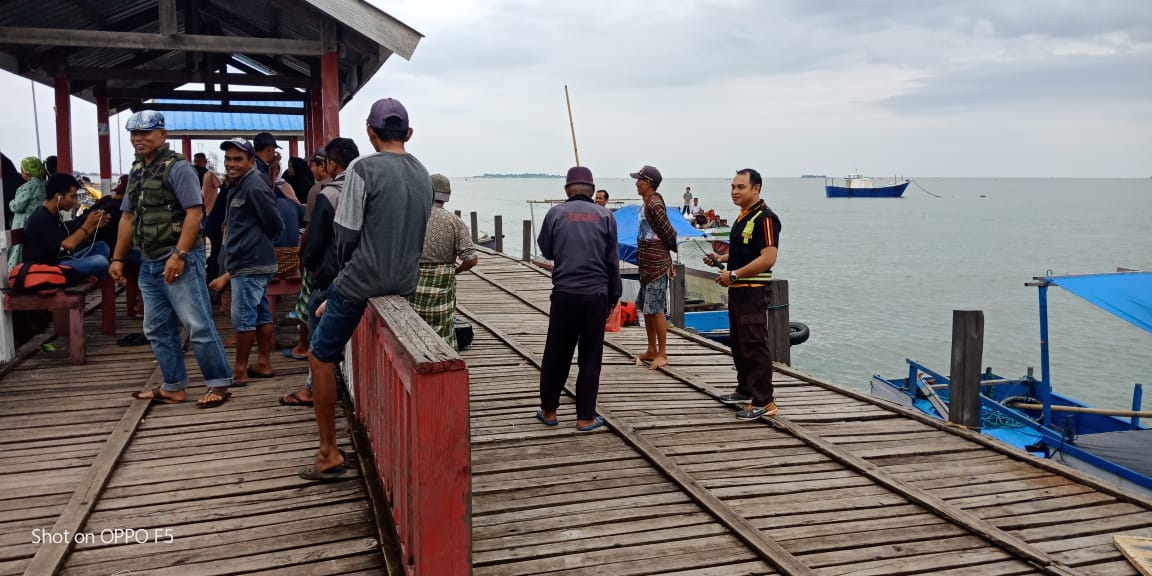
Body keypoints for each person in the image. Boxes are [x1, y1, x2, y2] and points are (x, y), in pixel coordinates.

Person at [301, 98, 432, 481]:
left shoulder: (362, 168)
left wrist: (339, 288)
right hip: (404, 281)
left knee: (321, 354)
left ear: (370, 133)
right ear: (407, 133)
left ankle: (328, 453)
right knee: (333, 312)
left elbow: (346, 238)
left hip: (361, 281)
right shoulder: (422, 173)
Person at [110, 109, 234, 408]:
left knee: (197, 324)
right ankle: (173, 385)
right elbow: (127, 217)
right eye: (134, 133)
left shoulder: (178, 168)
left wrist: (179, 255)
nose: (138, 139)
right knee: (156, 327)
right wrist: (117, 258)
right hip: (149, 261)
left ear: (162, 135)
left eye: (145, 133)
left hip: (178, 259)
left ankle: (219, 383)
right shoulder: (138, 170)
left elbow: (195, 212)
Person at [535, 166, 621, 431]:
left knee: (556, 352)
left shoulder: (554, 214)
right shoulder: (606, 216)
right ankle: (585, 416)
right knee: (591, 355)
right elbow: (612, 262)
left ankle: (549, 411)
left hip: (564, 294)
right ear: (593, 191)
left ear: (566, 190)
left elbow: (547, 251)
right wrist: (614, 296)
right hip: (596, 295)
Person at [280, 138, 358, 406]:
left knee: (319, 341)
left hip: (329, 277)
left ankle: (314, 390)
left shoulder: (329, 194)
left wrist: (310, 270)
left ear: (333, 164)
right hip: (358, 275)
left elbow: (316, 241)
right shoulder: (365, 190)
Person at [703, 168, 781, 420]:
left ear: (756, 188)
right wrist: (721, 258)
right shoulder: (742, 217)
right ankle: (745, 388)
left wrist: (734, 274)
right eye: (733, 187)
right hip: (738, 292)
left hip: (753, 290)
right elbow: (744, 252)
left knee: (755, 344)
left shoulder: (765, 219)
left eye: (741, 187)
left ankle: (765, 401)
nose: (735, 192)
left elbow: (768, 258)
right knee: (739, 344)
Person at [208, 138, 284, 385]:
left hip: (250, 263)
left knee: (243, 318)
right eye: (228, 159)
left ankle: (239, 371)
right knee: (261, 314)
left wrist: (253, 244)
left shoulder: (253, 186)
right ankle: (263, 363)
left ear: (251, 162)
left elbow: (275, 224)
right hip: (249, 263)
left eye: (238, 159)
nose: (231, 164)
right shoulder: (238, 185)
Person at [407, 174, 477, 349]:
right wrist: (457, 270)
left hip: (412, 283)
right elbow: (471, 259)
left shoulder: (410, 217)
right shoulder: (454, 221)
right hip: (442, 285)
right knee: (443, 328)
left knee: (413, 329)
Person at [21, 172, 112, 279]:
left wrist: (94, 226)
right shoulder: (42, 217)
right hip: (47, 269)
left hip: (60, 261)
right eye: (72, 197)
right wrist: (88, 224)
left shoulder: (53, 214)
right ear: (59, 196)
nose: (75, 201)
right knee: (100, 261)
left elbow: (72, 240)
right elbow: (69, 244)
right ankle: (85, 277)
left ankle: (87, 276)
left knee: (102, 247)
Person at [631, 164, 677, 369]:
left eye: (639, 180)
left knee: (656, 309)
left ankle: (662, 353)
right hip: (646, 264)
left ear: (648, 183)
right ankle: (651, 348)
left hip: (656, 264)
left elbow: (669, 233)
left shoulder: (655, 204)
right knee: (647, 309)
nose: (636, 183)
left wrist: (668, 260)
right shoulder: (646, 202)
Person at [8, 156, 47, 269]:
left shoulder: (27, 187)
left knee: (17, 250)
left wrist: (11, 203)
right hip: (39, 222)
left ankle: (15, 272)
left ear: (27, 172)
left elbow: (17, 206)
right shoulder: (44, 184)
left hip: (24, 223)